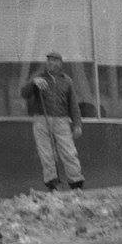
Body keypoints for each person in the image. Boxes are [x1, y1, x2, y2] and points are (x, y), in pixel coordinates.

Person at [21, 51, 85, 192]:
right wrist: (33, 83)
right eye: (49, 60)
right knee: (46, 153)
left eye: (55, 61)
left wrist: (77, 124)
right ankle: (52, 184)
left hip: (61, 120)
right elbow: (24, 93)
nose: (51, 63)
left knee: (69, 152)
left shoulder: (67, 81)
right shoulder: (38, 78)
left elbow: (73, 105)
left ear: (60, 63)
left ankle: (76, 183)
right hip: (41, 120)